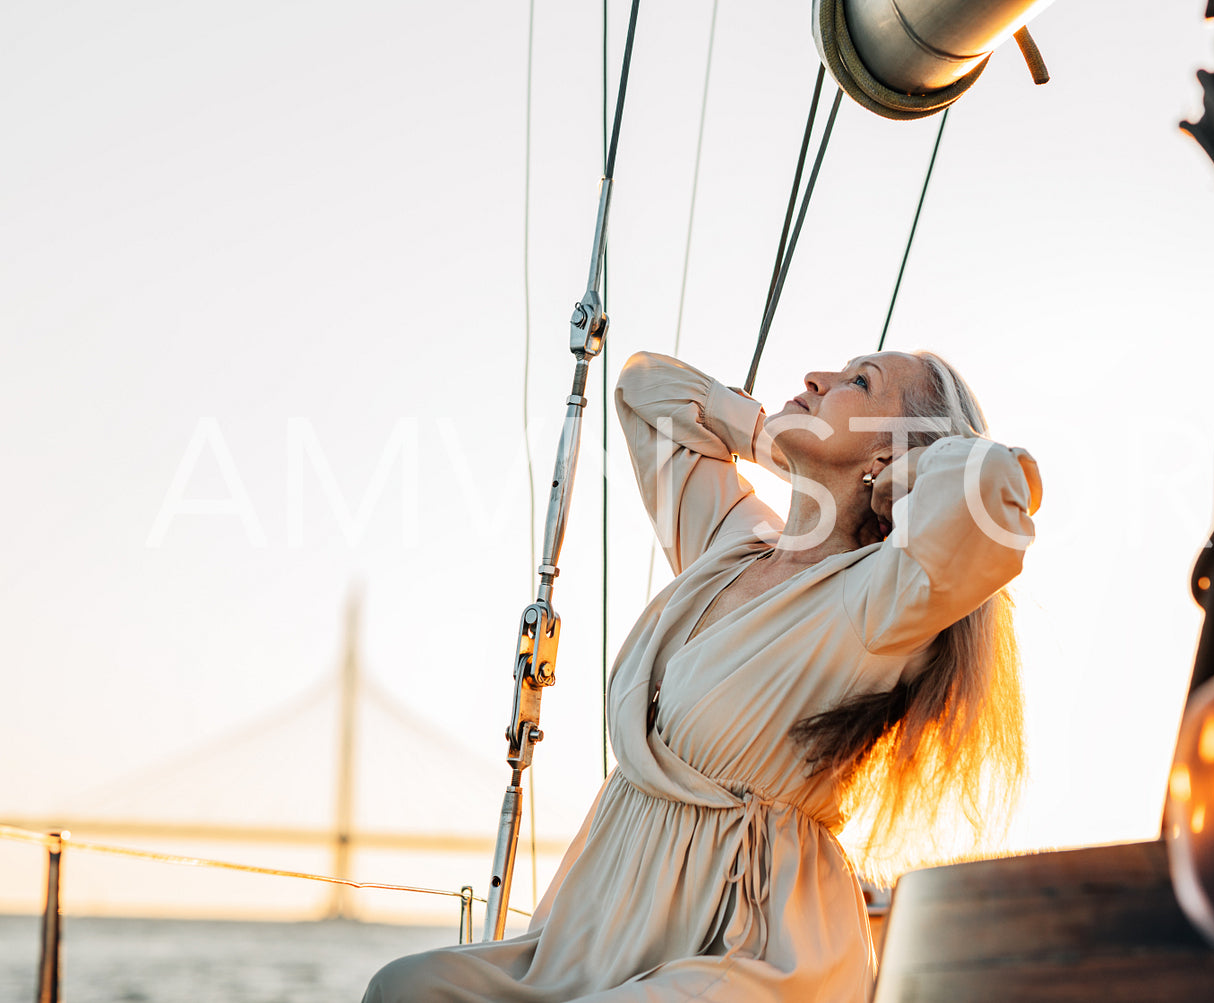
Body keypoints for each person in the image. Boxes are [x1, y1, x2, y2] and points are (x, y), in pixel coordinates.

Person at [364, 350, 1041, 1002]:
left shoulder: (880, 600)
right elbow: (645, 390)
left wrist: (901, 476)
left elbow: (992, 491)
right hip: (604, 920)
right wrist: (775, 440)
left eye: (858, 382)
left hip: (749, 942)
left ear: (887, 453)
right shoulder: (729, 544)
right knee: (405, 987)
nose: (816, 375)